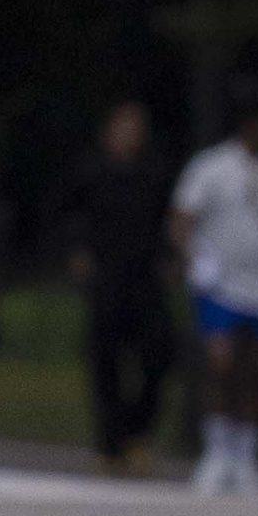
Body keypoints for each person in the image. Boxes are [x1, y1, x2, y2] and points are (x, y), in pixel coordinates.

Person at [169, 83, 258, 495]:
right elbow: (181, 222)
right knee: (221, 363)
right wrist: (198, 262)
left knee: (254, 372)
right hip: (221, 288)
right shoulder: (211, 167)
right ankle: (216, 451)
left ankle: (245, 456)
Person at [55, 93, 174, 470]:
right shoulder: (90, 172)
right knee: (105, 358)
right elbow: (68, 215)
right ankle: (110, 443)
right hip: (106, 276)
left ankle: (137, 431)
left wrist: (169, 259)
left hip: (145, 276)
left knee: (158, 352)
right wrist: (78, 252)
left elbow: (167, 222)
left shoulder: (155, 173)